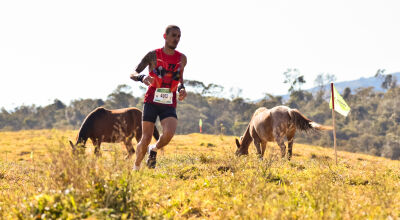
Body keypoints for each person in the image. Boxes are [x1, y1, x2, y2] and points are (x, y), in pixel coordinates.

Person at [130, 25, 187, 170]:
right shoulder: (153, 55)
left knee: (168, 134)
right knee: (146, 137)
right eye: (174, 35)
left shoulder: (182, 58)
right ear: (165, 36)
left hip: (169, 102)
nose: (176, 39)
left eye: (179, 36)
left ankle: (153, 149)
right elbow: (133, 72)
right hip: (151, 101)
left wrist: (182, 89)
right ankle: (136, 167)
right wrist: (142, 77)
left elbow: (180, 79)